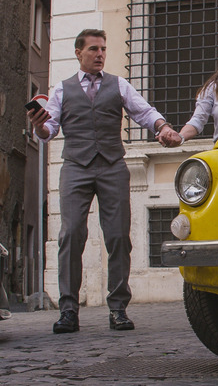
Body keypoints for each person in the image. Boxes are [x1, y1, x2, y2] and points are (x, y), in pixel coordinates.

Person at [27, 29, 179, 334]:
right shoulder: (61, 90)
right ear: (78, 52)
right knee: (71, 235)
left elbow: (143, 111)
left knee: (118, 237)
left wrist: (163, 127)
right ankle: (68, 310)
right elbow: (49, 130)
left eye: (103, 49)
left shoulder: (118, 84)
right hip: (75, 168)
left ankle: (118, 308)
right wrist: (40, 128)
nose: (100, 54)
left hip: (112, 166)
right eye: (94, 49)